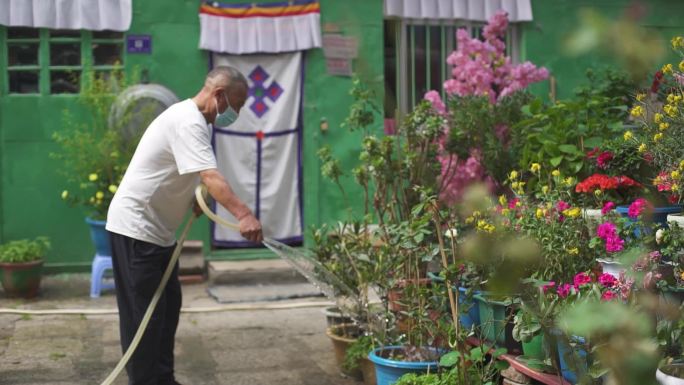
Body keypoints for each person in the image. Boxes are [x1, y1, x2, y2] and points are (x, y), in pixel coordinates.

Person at [106, 66, 263, 385]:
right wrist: (244, 214)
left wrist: (195, 198)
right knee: (145, 318)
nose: (239, 112)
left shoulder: (197, 123)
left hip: (157, 233)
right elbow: (211, 176)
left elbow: (186, 172)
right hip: (137, 229)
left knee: (167, 308)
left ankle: (162, 379)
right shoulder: (188, 121)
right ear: (219, 95)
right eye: (238, 104)